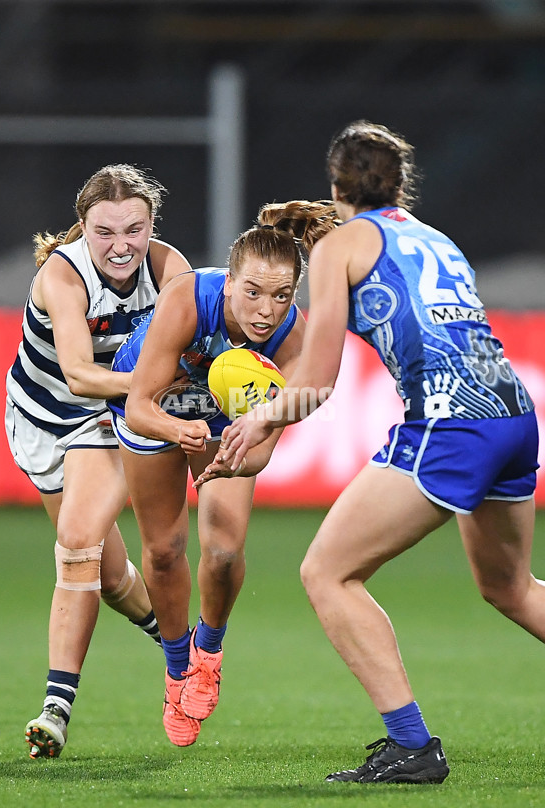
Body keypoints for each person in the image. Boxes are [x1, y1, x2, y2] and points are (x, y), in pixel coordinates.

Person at [214, 120, 541, 784]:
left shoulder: (338, 248)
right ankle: (411, 746)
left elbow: (318, 383)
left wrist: (261, 420)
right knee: (510, 587)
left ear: (338, 185)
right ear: (399, 182)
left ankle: (413, 748)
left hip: (453, 422)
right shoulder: (436, 238)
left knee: (326, 572)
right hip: (514, 413)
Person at [107, 200, 340, 747]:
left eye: (282, 296)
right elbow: (139, 405)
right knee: (164, 550)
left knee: (224, 550)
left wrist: (229, 450)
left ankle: (208, 650)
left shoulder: (292, 341)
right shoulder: (187, 297)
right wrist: (174, 431)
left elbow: (261, 453)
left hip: (222, 419)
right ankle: (175, 667)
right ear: (229, 280)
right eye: (253, 291)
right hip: (159, 408)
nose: (266, 309)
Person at [5, 163, 192, 759]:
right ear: (82, 228)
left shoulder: (169, 268)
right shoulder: (63, 276)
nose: (121, 245)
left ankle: (56, 708)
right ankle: (181, 654)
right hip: (40, 420)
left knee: (78, 541)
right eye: (105, 231)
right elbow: (81, 374)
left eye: (134, 229)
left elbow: (200, 336)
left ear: (151, 224)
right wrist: (155, 377)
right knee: (110, 578)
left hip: (108, 418)